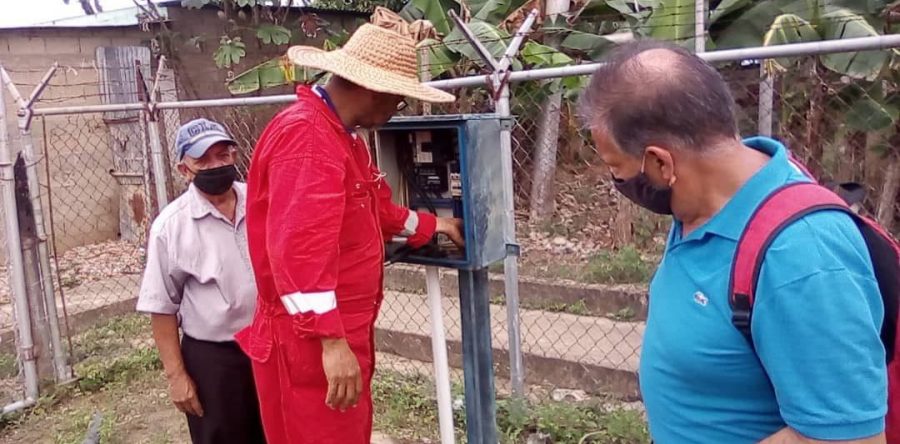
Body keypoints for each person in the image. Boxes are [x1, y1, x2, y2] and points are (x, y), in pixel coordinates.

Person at [578, 40, 887, 444]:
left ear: (660, 163)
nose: (618, 183)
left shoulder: (801, 255)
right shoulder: (700, 204)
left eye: (616, 167)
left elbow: (848, 440)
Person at [235, 24, 463, 444]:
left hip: (333, 332)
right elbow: (298, 251)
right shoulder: (309, 138)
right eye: (397, 97)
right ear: (372, 89)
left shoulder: (340, 137)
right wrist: (331, 342)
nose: (398, 107)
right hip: (310, 340)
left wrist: (435, 224)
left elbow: (374, 208)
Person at [136, 118, 265, 444]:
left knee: (277, 432)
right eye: (202, 160)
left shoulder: (264, 201)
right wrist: (176, 376)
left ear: (234, 156)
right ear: (184, 169)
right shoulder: (171, 227)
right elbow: (162, 307)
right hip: (215, 359)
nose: (215, 165)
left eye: (222, 155)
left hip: (271, 347)